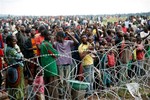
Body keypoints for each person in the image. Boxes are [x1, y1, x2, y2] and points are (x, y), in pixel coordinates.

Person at [53, 31, 79, 99]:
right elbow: (52, 42)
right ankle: (61, 95)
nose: (56, 38)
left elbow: (76, 42)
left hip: (67, 64)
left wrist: (69, 34)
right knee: (60, 81)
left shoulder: (68, 42)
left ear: (61, 37)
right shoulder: (56, 44)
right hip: (60, 64)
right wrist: (54, 34)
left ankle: (66, 94)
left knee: (67, 81)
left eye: (57, 37)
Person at [40, 30, 59, 100]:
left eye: (51, 35)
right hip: (51, 68)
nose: (50, 36)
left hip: (45, 66)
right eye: (49, 35)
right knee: (53, 86)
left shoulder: (43, 43)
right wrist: (53, 43)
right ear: (45, 36)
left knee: (47, 86)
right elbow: (56, 54)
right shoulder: (48, 45)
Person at [5, 35, 25, 100]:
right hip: (16, 69)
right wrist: (20, 52)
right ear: (8, 42)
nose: (15, 42)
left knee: (14, 86)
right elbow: (20, 57)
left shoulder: (9, 49)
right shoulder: (11, 50)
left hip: (13, 68)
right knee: (17, 86)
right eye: (13, 41)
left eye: (16, 40)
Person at [78, 34, 95, 98]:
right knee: (87, 80)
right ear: (81, 39)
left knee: (91, 80)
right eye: (82, 38)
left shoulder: (89, 44)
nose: (84, 39)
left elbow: (93, 49)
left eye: (85, 37)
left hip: (91, 63)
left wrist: (92, 43)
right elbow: (81, 56)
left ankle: (91, 93)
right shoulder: (80, 47)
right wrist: (87, 50)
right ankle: (88, 94)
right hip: (86, 64)